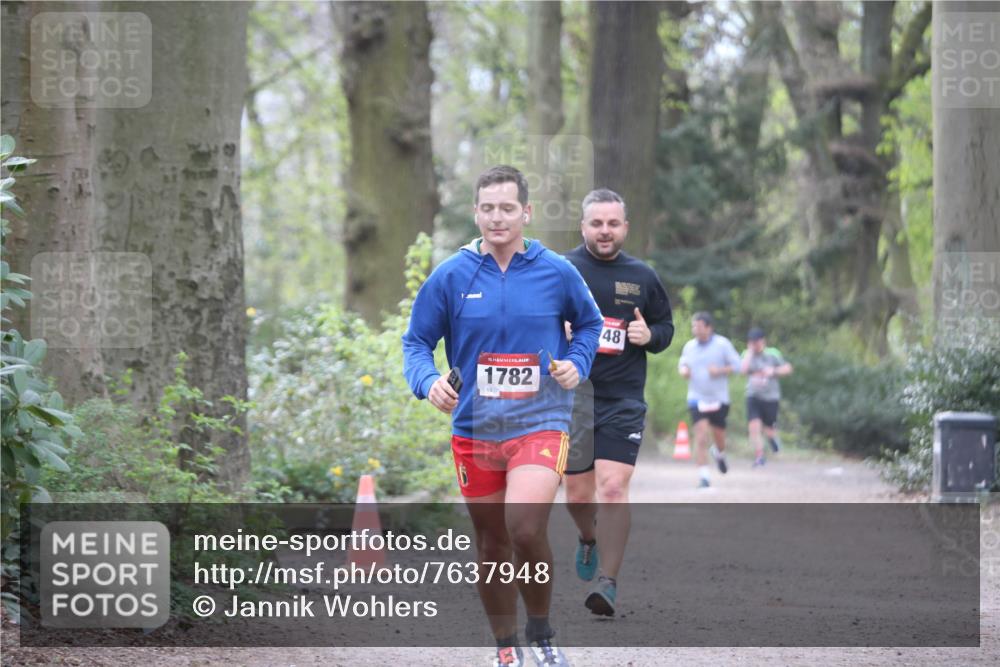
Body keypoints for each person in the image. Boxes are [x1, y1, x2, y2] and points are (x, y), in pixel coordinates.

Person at [402, 165, 603, 667]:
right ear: (476, 212)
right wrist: (428, 382)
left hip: (541, 422)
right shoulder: (452, 274)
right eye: (488, 208)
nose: (497, 218)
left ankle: (542, 633)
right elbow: (416, 342)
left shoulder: (556, 270)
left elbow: (590, 324)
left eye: (507, 208)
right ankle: (505, 647)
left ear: (525, 212)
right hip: (475, 428)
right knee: (492, 542)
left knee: (525, 527)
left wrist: (577, 363)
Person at [562, 189, 674, 617]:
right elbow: (533, 322)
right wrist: (558, 331)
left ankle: (607, 583)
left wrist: (650, 336)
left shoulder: (642, 276)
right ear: (583, 227)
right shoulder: (563, 269)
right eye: (597, 223)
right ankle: (588, 537)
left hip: (623, 398)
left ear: (625, 227)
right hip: (574, 396)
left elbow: (665, 327)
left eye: (613, 223)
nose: (605, 231)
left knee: (612, 487)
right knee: (577, 496)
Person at [677, 312, 741, 488]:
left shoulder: (722, 344)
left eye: (698, 326)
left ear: (709, 327)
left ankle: (719, 453)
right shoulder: (689, 346)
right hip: (696, 398)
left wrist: (719, 371)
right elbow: (682, 365)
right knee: (701, 435)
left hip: (719, 398)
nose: (695, 329)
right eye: (693, 326)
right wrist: (684, 371)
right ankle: (704, 477)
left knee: (719, 437)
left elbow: (738, 365)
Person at [741, 327, 793, 467]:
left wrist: (773, 371)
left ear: (762, 341)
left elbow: (788, 368)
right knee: (754, 426)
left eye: (757, 342)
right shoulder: (746, 354)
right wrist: (749, 353)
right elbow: (742, 370)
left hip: (771, 397)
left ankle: (772, 440)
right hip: (753, 395)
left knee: (769, 429)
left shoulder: (773, 353)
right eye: (752, 342)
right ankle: (759, 456)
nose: (755, 345)